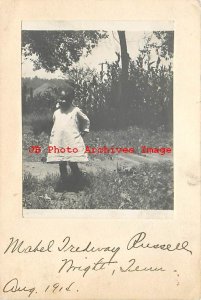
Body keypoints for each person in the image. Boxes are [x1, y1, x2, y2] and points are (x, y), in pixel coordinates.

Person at [47, 87, 90, 190]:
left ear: (71, 100)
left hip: (71, 140)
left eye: (66, 99)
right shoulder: (57, 112)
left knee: (72, 161)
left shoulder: (75, 111)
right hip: (59, 141)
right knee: (61, 162)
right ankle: (64, 182)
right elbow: (55, 123)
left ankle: (77, 181)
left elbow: (85, 119)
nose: (63, 101)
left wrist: (84, 130)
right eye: (61, 98)